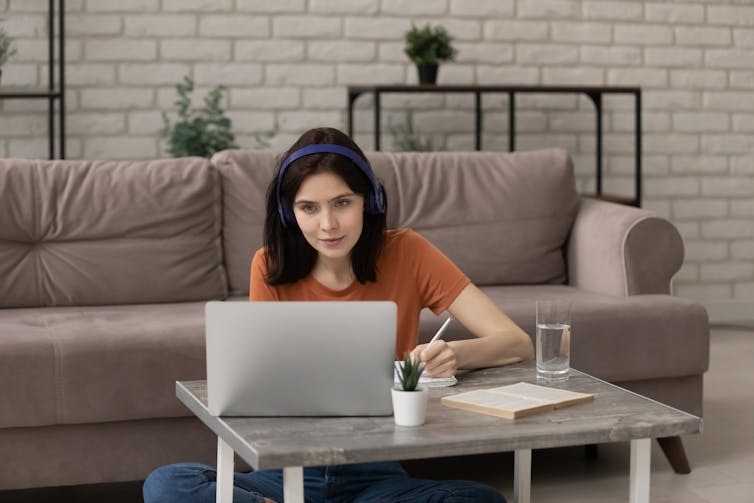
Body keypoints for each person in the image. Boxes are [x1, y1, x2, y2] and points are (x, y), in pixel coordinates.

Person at [143, 127, 534, 503]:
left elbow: (518, 343)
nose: (327, 225)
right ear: (288, 212)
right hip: (288, 470)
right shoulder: (269, 266)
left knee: (476, 499)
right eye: (308, 208)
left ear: (370, 201)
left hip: (375, 472)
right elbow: (264, 385)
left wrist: (456, 355)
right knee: (168, 485)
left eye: (342, 203)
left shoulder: (409, 253)